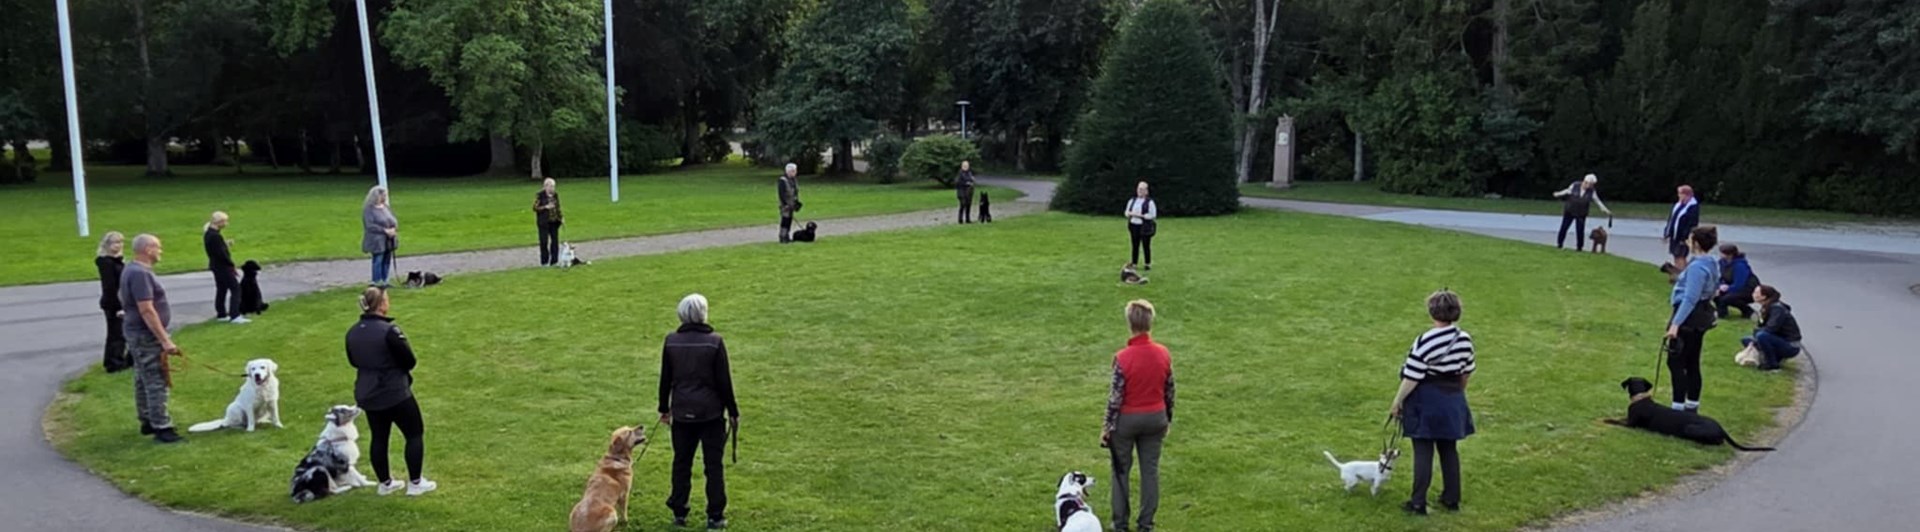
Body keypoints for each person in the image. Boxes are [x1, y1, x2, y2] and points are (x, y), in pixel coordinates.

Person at [1388, 290, 1476, 516]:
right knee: (1449, 449)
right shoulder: (1465, 339)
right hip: (1453, 397)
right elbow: (1466, 372)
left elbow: (1412, 376)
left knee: (1423, 449)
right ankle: (1451, 498)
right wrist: (1456, 396)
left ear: (1432, 312)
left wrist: (1397, 401)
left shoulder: (1425, 340)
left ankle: (1418, 502)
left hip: (1426, 399)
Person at [346, 286, 438, 496]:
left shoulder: (353, 332)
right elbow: (409, 360)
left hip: (367, 391)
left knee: (379, 437)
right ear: (382, 305)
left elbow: (352, 360)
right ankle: (415, 483)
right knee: (414, 433)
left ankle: (385, 484)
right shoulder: (389, 331)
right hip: (394, 391)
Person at [657, 294, 739, 529]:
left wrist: (664, 408)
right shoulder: (714, 341)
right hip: (711, 412)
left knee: (681, 462)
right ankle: (715, 515)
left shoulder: (671, 341)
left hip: (682, 411)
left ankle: (679, 510)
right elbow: (724, 381)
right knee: (713, 465)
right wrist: (733, 411)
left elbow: (666, 379)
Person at [1102, 299, 1173, 532]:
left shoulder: (1123, 358)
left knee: (1121, 470)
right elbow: (1169, 389)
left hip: (1127, 420)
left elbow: (1115, 398)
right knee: (1150, 472)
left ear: (1129, 324)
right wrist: (1167, 418)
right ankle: (1146, 524)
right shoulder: (1163, 354)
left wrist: (1107, 428)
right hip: (1156, 416)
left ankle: (1120, 524)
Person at [121, 234, 184, 443]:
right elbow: (147, 309)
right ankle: (162, 426)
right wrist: (164, 339)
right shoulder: (140, 274)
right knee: (156, 380)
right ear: (147, 249)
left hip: (136, 332)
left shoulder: (131, 269)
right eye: (158, 248)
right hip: (146, 335)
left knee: (142, 377)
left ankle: (147, 419)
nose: (160, 252)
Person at [1665, 225, 1721, 412]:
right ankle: (1692, 405)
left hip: (1689, 316)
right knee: (1692, 361)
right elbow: (1714, 289)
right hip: (1701, 315)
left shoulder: (1697, 267)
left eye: (1690, 239)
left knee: (1676, 362)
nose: (1688, 242)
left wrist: (1675, 324)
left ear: (1696, 243)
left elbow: (1690, 298)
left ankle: (1678, 407)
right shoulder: (1712, 262)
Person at [95, 231, 132, 373]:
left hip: (121, 300)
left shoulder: (118, 260)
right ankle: (113, 362)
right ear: (107, 245)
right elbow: (110, 287)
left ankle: (120, 358)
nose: (118, 245)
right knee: (116, 334)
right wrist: (118, 307)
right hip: (113, 302)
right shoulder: (106, 263)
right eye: (115, 243)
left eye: (120, 242)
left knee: (121, 333)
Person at [1743, 285, 1802, 371]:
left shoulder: (1777, 309)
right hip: (1778, 339)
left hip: (1790, 344)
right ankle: (1772, 358)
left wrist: (1757, 332)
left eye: (1756, 292)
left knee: (1762, 336)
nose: (1753, 294)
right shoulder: (1766, 308)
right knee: (1746, 340)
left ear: (1764, 296)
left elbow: (1771, 328)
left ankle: (1772, 364)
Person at [203, 211, 247, 324]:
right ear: (220, 222)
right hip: (222, 266)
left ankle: (221, 314)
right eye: (225, 221)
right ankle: (235, 315)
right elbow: (221, 254)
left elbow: (216, 248)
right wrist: (231, 265)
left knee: (221, 289)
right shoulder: (215, 236)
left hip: (215, 266)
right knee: (236, 288)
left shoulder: (209, 233)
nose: (226, 223)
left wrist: (225, 244)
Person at [1551, 174, 1612, 251]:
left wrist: (1605, 210)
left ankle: (1579, 247)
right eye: (1589, 184)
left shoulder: (1592, 191)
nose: (1590, 186)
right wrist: (1558, 194)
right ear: (1585, 181)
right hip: (1570, 210)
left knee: (1580, 230)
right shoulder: (1575, 185)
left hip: (1581, 213)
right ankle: (1559, 244)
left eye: (1592, 185)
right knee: (1564, 227)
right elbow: (1567, 191)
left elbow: (1597, 201)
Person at [1661, 185, 1702, 277]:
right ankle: (1677, 275)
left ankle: (1684, 276)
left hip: (1683, 237)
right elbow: (1671, 220)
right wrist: (1667, 233)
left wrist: (1685, 237)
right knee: (1676, 255)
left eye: (1680, 194)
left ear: (1687, 195)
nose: (1679, 196)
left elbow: (1691, 224)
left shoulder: (1693, 207)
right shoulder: (1678, 205)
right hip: (1675, 236)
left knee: (1681, 256)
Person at [363, 186, 399, 287]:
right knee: (378, 259)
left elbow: (393, 219)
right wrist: (384, 230)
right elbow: (369, 225)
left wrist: (393, 229)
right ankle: (376, 280)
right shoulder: (369, 210)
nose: (384, 197)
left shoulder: (386, 207)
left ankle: (385, 279)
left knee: (387, 259)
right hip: (376, 239)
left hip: (388, 239)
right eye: (382, 195)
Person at [1715, 244, 1760, 319]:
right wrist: (1719, 287)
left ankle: (1748, 311)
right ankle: (1722, 313)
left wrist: (1727, 288)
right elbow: (1721, 276)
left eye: (1723, 253)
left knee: (1727, 298)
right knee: (1716, 295)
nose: (1720, 255)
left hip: (1747, 289)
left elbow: (1739, 284)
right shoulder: (1722, 262)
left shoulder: (1740, 266)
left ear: (1730, 255)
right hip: (1731, 286)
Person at [1124, 181, 1158, 270]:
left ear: (1146, 191)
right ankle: (1134, 263)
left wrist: (1140, 215)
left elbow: (1152, 215)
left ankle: (1147, 263)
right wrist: (1129, 214)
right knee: (1135, 245)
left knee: (1146, 245)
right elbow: (1127, 212)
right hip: (1133, 225)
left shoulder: (1150, 202)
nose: (1140, 191)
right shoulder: (1132, 201)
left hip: (1144, 226)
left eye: (1142, 189)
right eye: (1139, 189)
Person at [534, 178, 564, 266]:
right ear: (545, 186)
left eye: (553, 186)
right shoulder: (539, 195)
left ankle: (554, 261)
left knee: (555, 241)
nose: (552, 188)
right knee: (544, 241)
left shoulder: (555, 195)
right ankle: (544, 262)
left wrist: (561, 217)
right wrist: (545, 207)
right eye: (550, 186)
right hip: (544, 222)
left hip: (554, 221)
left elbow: (558, 207)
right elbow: (535, 208)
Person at [777, 163, 801, 244]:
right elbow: (781, 193)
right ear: (789, 171)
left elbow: (795, 192)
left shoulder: (793, 180)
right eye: (793, 171)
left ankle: (787, 235)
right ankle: (782, 236)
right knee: (785, 219)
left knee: (790, 219)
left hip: (792, 203)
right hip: (785, 204)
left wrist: (796, 202)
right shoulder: (782, 180)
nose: (795, 173)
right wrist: (785, 204)